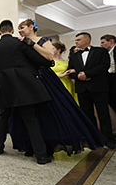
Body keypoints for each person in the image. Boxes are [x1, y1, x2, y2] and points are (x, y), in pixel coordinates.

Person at [14, 22, 106, 155]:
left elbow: (49, 56)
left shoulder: (43, 40)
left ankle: (52, 141)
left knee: (53, 108)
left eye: (22, 28)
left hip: (45, 77)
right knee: (33, 112)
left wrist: (31, 44)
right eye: (19, 29)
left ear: (31, 27)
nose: (20, 31)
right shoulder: (21, 43)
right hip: (29, 77)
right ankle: (35, 143)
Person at [0, 20, 54, 164]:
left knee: (2, 117)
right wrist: (49, 62)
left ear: (0, 32)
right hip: (23, 87)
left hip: (4, 88)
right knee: (30, 119)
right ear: (12, 31)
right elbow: (38, 59)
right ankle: (41, 156)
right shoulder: (20, 43)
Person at [68, 32, 114, 149]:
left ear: (87, 40)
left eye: (78, 40)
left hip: (98, 88)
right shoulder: (74, 56)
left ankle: (108, 138)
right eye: (76, 40)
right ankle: (93, 137)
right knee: (87, 115)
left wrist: (87, 74)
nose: (76, 42)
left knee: (103, 114)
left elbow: (104, 66)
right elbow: (70, 71)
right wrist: (78, 76)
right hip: (82, 89)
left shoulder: (101, 51)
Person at [100, 34, 116, 113]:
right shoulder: (105, 54)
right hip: (109, 78)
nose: (101, 45)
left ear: (111, 41)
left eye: (103, 42)